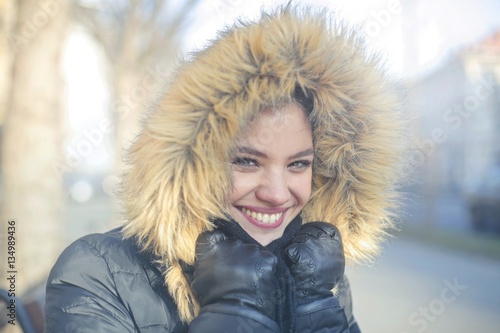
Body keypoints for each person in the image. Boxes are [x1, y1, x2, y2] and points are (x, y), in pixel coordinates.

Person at [44, 5, 407, 333]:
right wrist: (236, 315)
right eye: (247, 161)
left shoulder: (316, 273)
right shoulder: (95, 272)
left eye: (299, 164)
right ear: (195, 166)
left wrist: (315, 309)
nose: (277, 193)